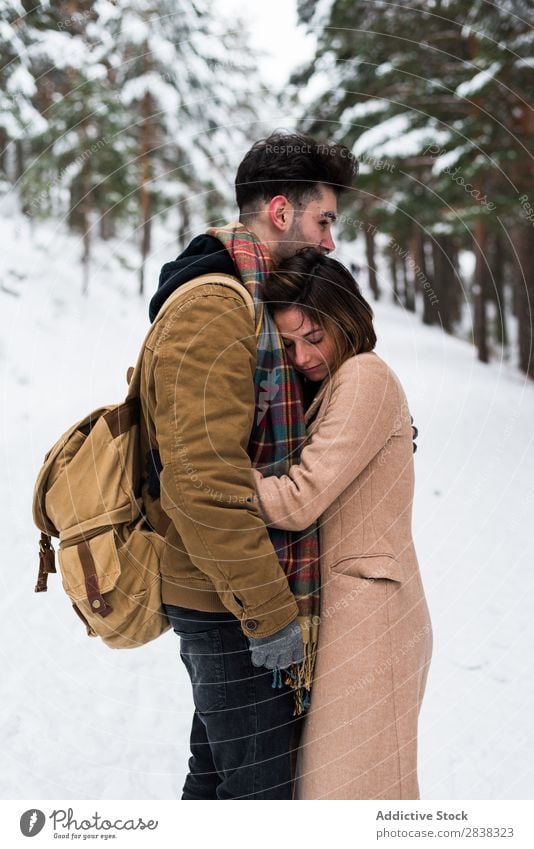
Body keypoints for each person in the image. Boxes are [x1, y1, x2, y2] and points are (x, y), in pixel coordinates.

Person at [140, 132, 357, 799]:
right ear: (284, 213)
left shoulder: (252, 300)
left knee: (217, 783)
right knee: (261, 798)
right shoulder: (215, 307)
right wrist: (271, 616)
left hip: (233, 589)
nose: (328, 241)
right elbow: (203, 483)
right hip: (229, 600)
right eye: (324, 220)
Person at [252, 249, 433, 800]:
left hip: (373, 620)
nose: (304, 355)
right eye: (289, 344)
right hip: (352, 616)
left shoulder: (364, 376)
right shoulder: (331, 385)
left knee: (358, 796)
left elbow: (297, 500)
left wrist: (210, 470)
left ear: (346, 319)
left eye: (315, 336)